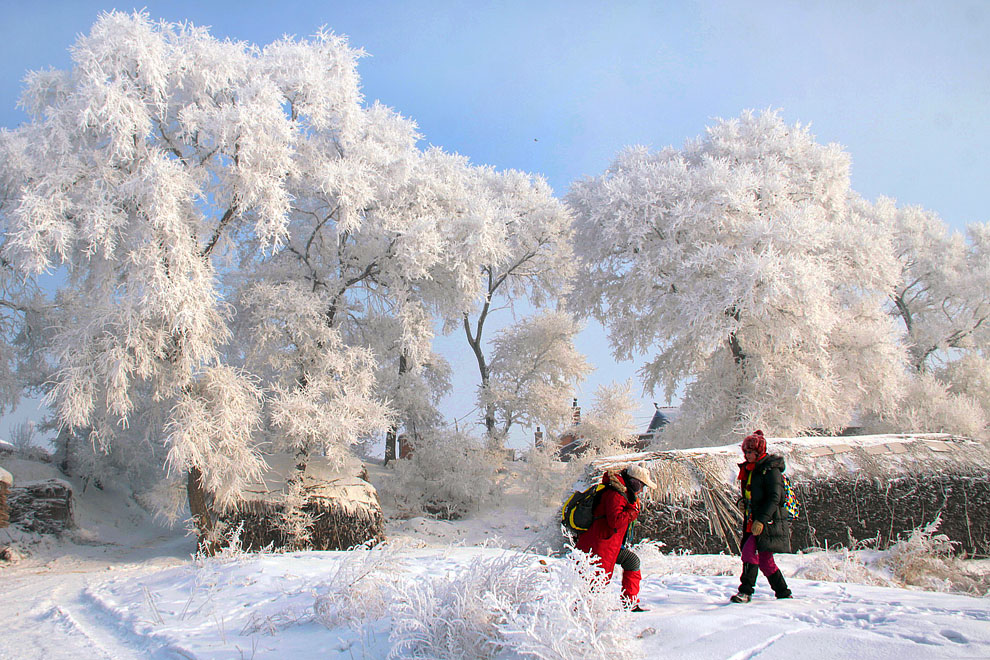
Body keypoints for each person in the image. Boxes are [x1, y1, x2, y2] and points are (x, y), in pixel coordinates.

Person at [575, 462, 656, 611]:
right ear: (634, 482)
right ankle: (584, 611)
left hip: (607, 544)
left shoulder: (622, 493)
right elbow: (615, 521)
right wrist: (632, 512)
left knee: (631, 562)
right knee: (595, 581)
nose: (641, 490)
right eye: (641, 485)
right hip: (599, 545)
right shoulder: (615, 495)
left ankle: (629, 603)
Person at [730, 430, 793, 603]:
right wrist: (741, 503)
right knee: (765, 561)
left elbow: (775, 498)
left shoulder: (770, 470)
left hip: (767, 522)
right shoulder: (750, 470)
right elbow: (752, 494)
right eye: (746, 452)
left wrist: (762, 520)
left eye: (750, 452)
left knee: (749, 553)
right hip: (753, 520)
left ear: (759, 452)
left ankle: (745, 591)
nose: (747, 455)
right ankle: (783, 592)